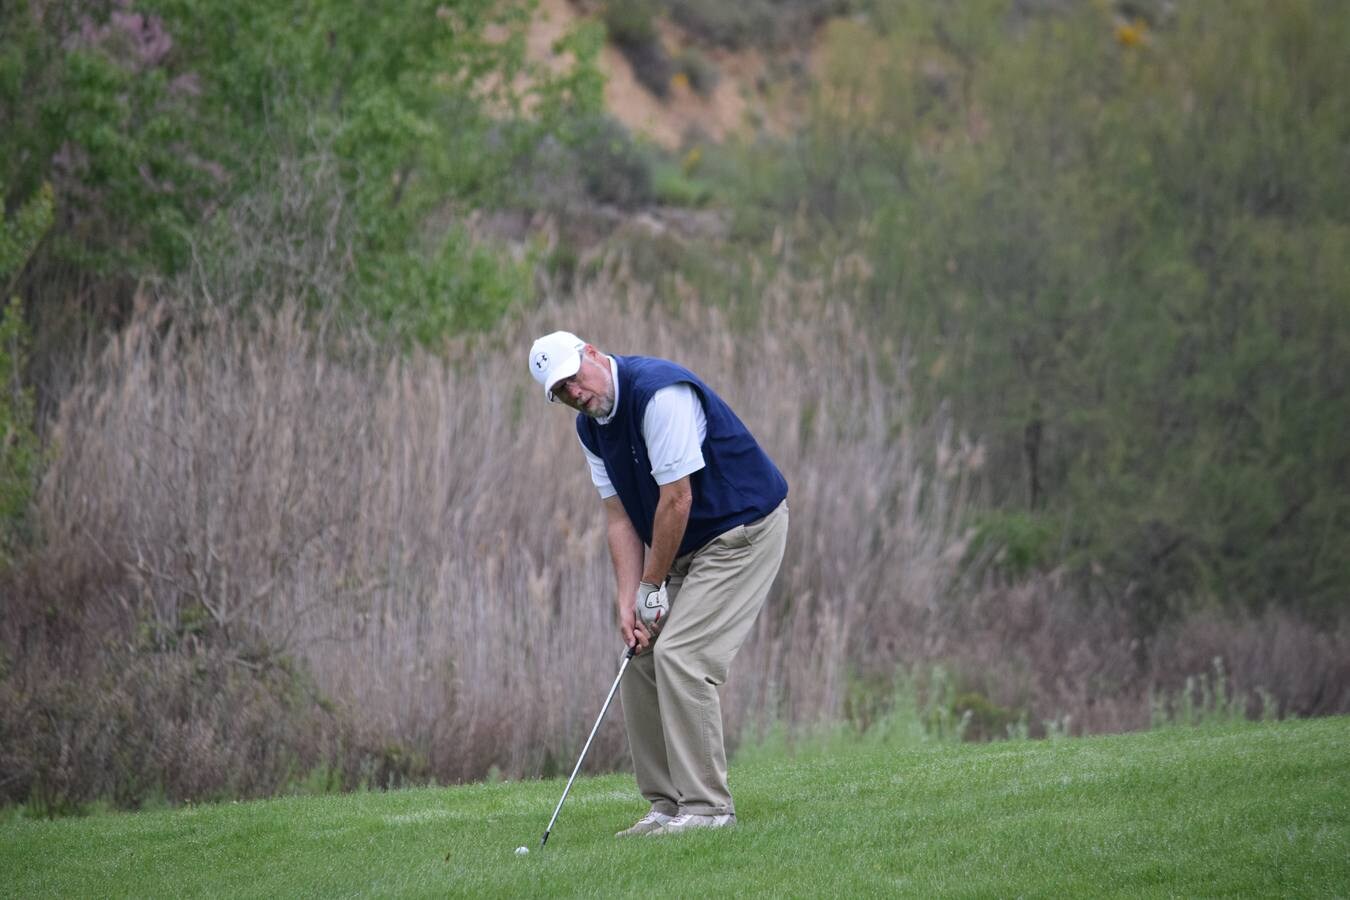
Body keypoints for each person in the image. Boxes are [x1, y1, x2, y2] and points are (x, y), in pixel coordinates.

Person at [528, 330, 789, 837]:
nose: (575, 394)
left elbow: (677, 499)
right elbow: (620, 518)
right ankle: (666, 807)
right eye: (561, 392)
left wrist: (653, 585)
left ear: (594, 355)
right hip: (689, 544)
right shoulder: (591, 429)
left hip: (743, 531)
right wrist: (629, 601)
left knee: (682, 656)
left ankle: (709, 810)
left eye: (574, 378)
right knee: (640, 655)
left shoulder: (659, 393)